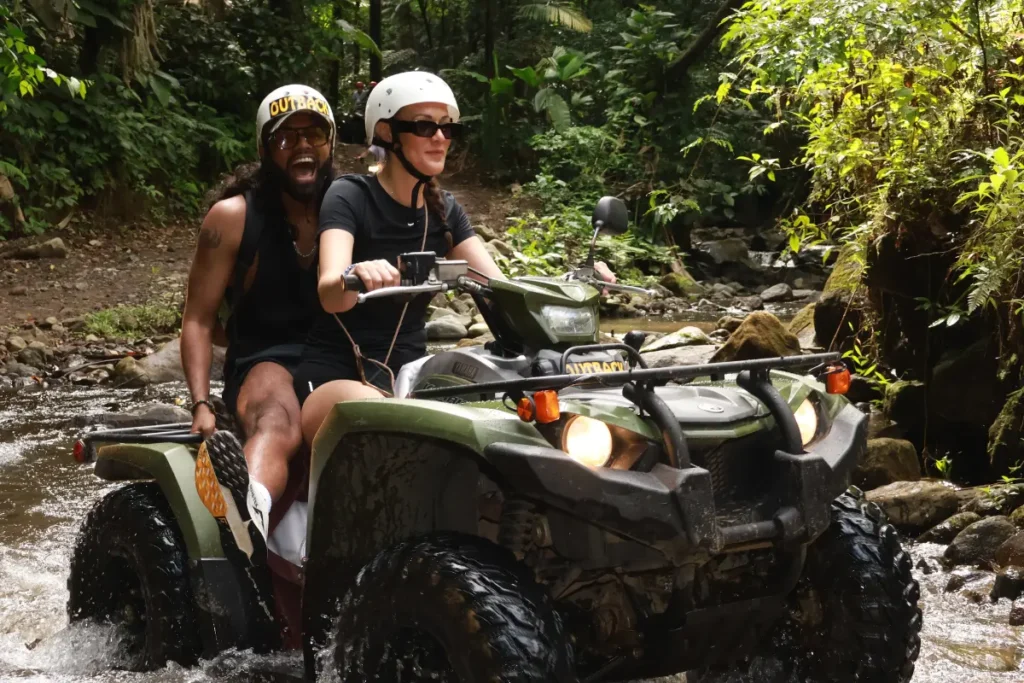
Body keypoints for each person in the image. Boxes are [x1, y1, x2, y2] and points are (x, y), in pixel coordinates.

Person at [292, 71, 615, 445]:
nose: (442, 138)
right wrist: (358, 273)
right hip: (335, 375)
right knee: (392, 425)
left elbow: (503, 289)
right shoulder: (349, 195)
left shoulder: (444, 210)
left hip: (412, 378)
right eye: (425, 127)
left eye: (448, 128)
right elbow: (330, 290)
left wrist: (573, 285)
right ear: (385, 133)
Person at [181, 84, 336, 554]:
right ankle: (243, 522)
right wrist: (201, 405)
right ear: (266, 150)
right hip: (264, 360)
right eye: (287, 138)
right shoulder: (233, 218)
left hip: (338, 363)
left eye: (314, 135)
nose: (303, 146)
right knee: (279, 419)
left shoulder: (350, 207)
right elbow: (198, 320)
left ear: (331, 144)